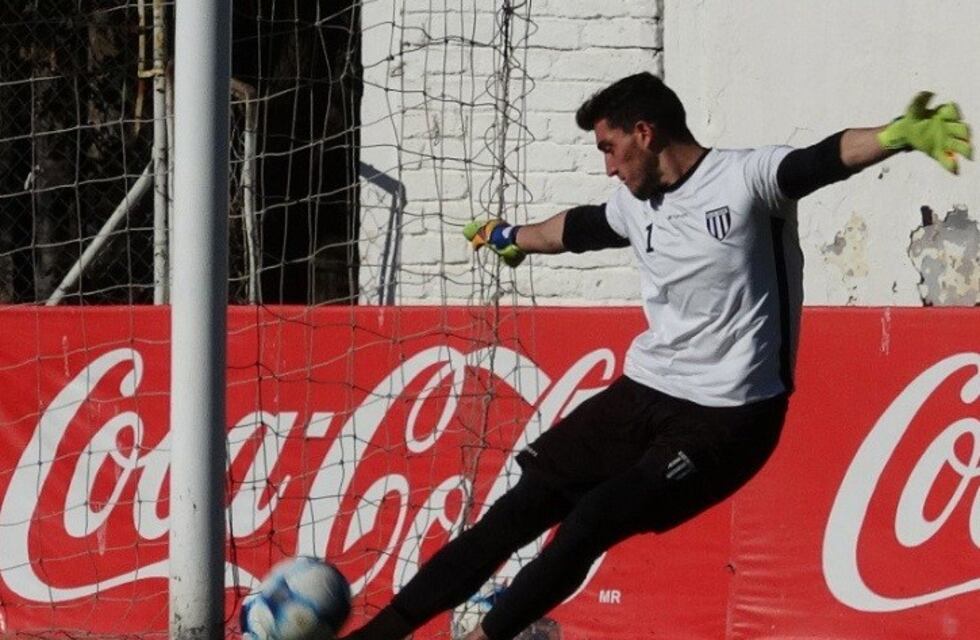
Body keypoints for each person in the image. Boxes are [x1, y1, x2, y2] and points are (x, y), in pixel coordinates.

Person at [341, 73, 972, 640]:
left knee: (592, 519)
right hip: (646, 392)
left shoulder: (745, 181)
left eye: (610, 149)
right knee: (517, 510)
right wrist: (511, 238)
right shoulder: (633, 203)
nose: (609, 167)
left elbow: (822, 159)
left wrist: (898, 134)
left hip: (730, 418)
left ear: (645, 133)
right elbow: (576, 229)